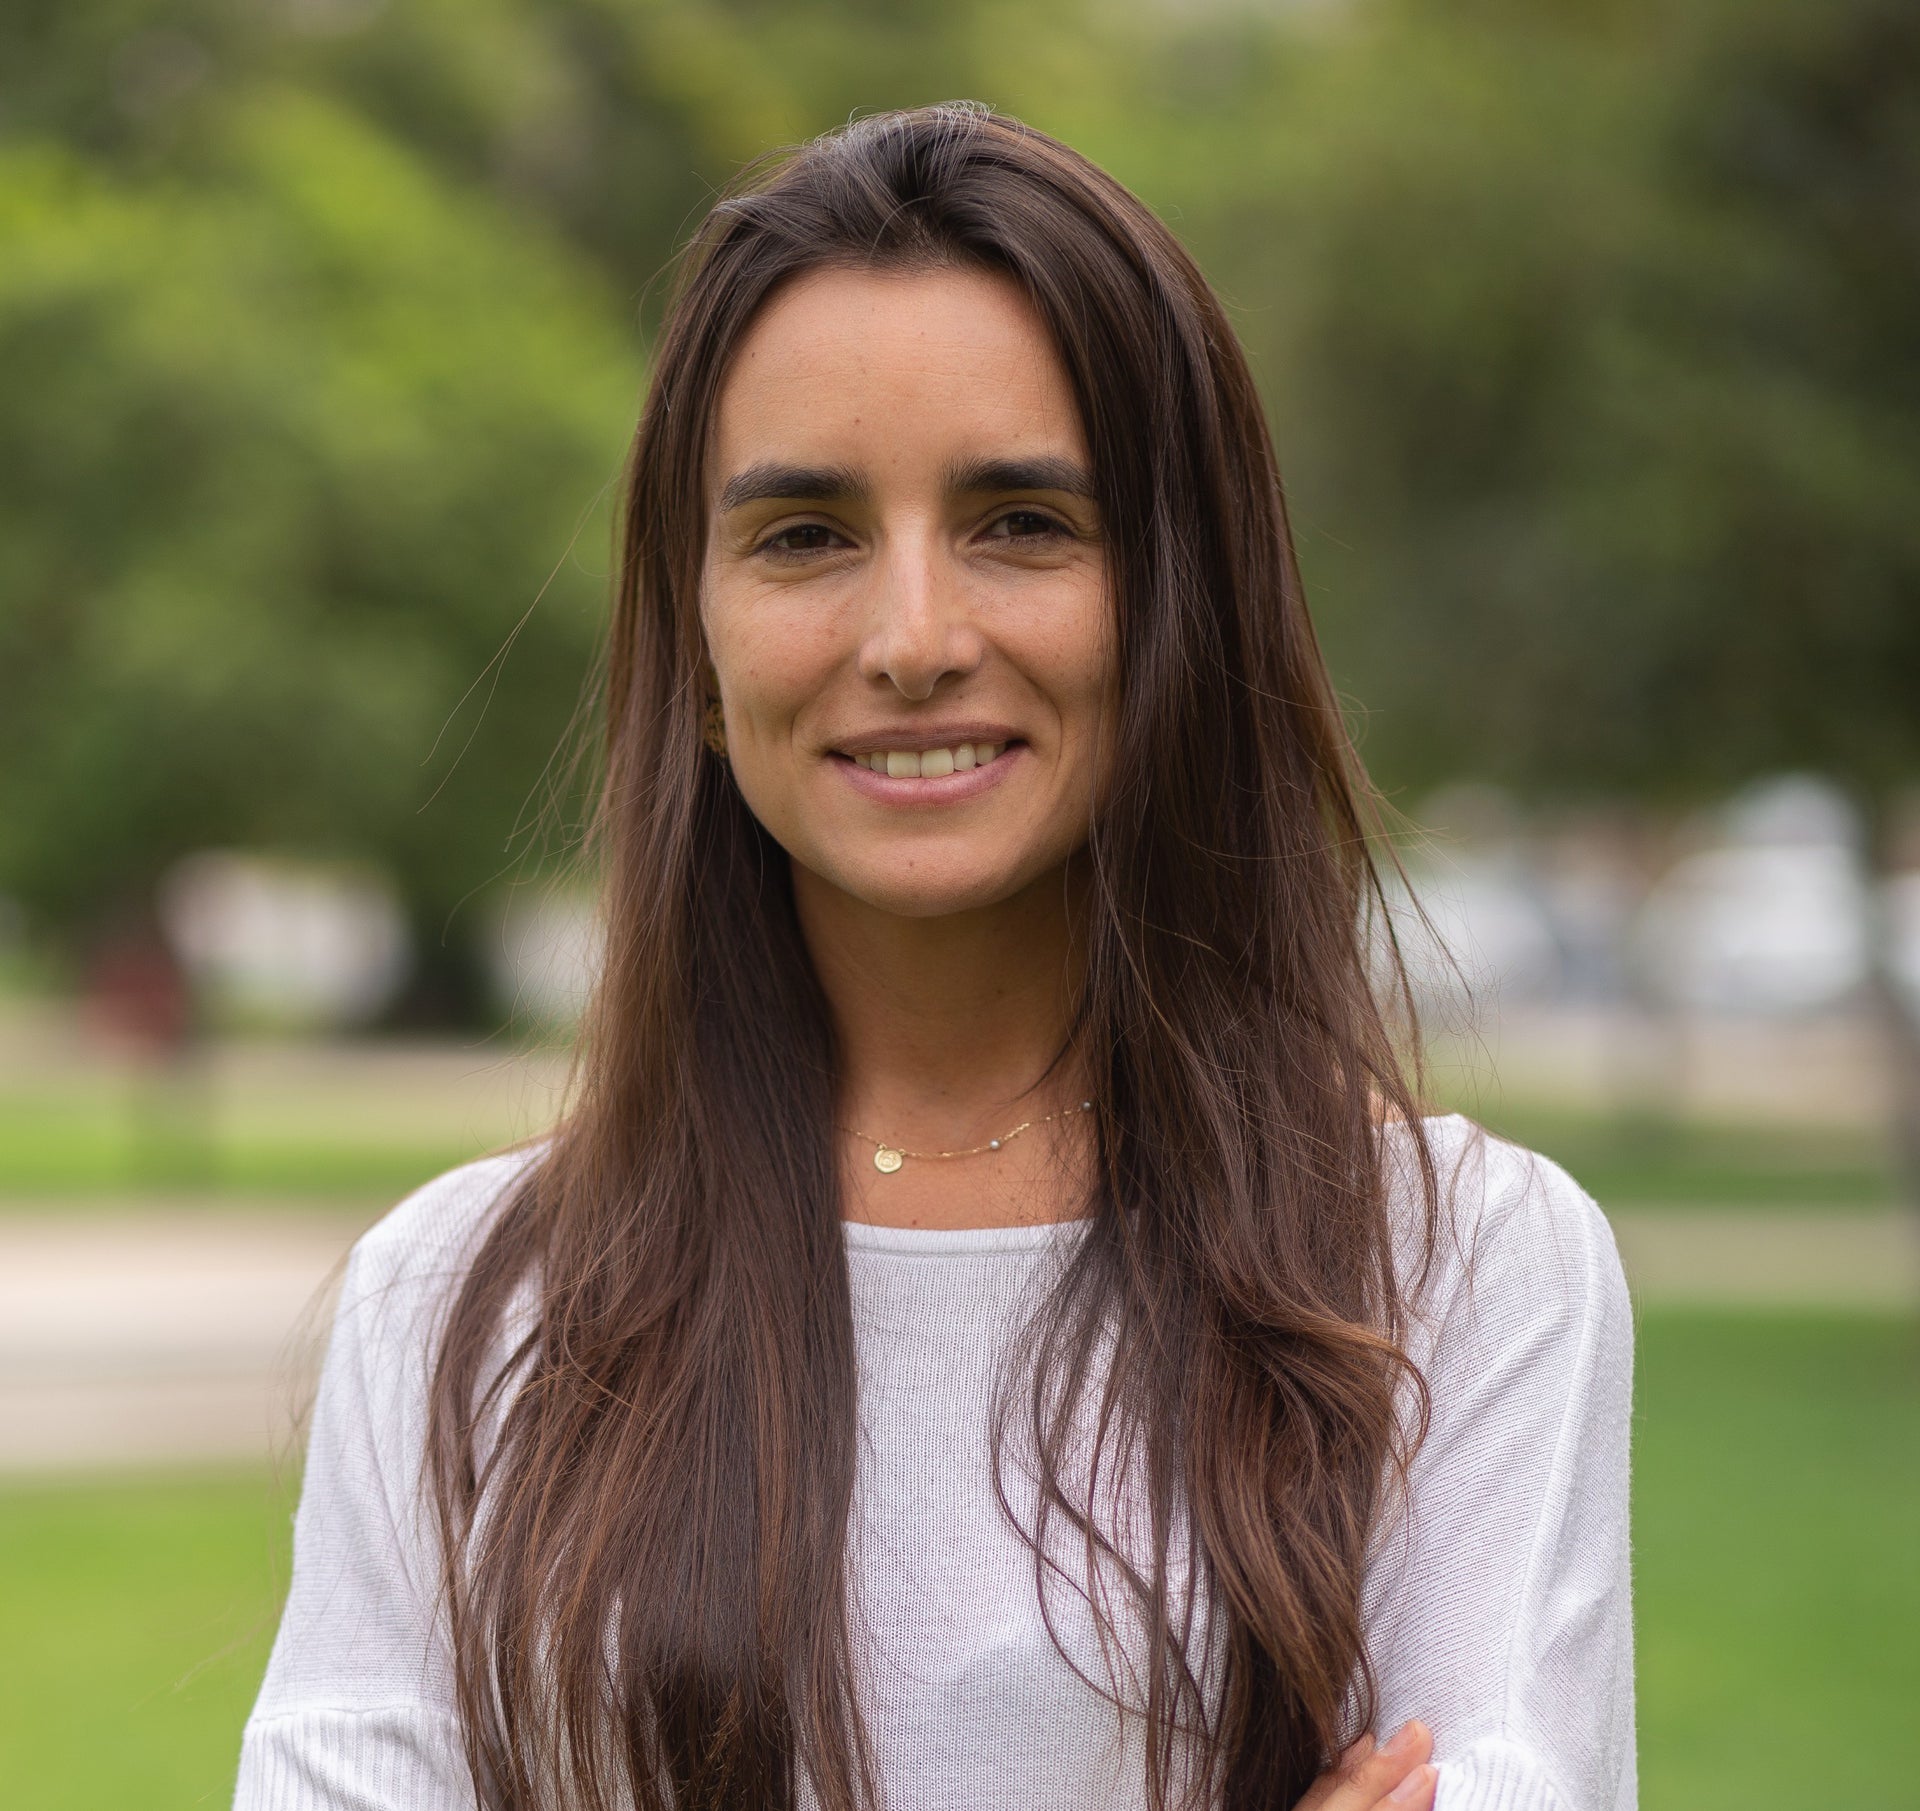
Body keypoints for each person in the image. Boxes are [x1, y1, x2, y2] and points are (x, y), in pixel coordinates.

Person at [236, 105, 1634, 1811]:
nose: (912, 640)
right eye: (805, 535)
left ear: (1186, 601)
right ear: (696, 638)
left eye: (1022, 523)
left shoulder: (1456, 1278)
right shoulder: (459, 1310)